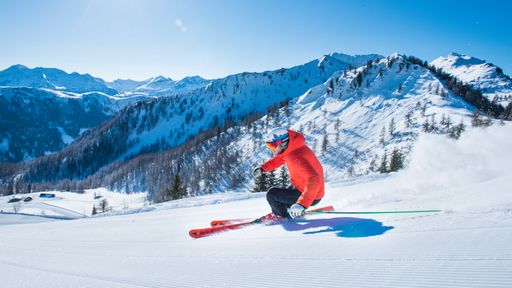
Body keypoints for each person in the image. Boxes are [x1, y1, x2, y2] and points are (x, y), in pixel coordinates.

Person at [252, 127, 325, 223]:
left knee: (272, 194)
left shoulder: (296, 157)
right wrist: (263, 168)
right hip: (303, 188)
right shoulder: (292, 149)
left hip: (311, 195)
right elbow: (280, 159)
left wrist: (302, 204)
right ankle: (285, 211)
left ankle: (281, 216)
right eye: (269, 146)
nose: (271, 149)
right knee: (283, 193)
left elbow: (314, 179)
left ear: (282, 143)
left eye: (272, 145)